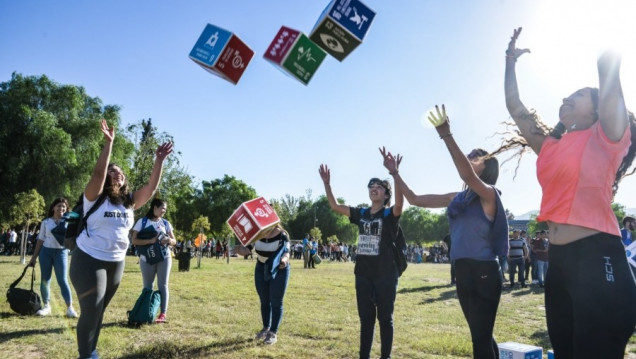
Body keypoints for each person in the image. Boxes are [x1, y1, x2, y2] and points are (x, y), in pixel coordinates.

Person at [504, 27, 636, 358]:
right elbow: (516, 107)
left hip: (598, 257)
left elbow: (610, 97)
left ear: (595, 111)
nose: (568, 97)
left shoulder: (608, 138)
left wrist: (606, 55)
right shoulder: (550, 145)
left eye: (578, 94)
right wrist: (509, 62)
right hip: (560, 263)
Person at [382, 105, 508, 359]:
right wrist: (395, 173)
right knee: (480, 334)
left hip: (484, 270)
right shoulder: (457, 198)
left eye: (474, 156)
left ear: (486, 167)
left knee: (480, 340)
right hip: (462, 269)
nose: (469, 156)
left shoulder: (489, 195)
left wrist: (446, 135)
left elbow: (466, 174)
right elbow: (415, 199)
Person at [69, 119, 172, 359]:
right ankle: (87, 355)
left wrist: (159, 161)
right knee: (92, 308)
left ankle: (91, 349)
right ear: (106, 178)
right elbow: (97, 173)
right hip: (88, 259)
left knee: (100, 310)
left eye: (121, 173)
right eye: (113, 172)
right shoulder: (94, 196)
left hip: (116, 262)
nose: (118, 174)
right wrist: (109, 143)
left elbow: (151, 186)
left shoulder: (130, 202)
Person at [319, 147, 404, 359]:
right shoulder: (362, 213)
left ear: (386, 194)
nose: (374, 188)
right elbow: (335, 205)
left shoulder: (389, 214)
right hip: (363, 273)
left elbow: (401, 203)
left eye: (379, 186)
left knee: (385, 319)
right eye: (371, 186)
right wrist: (327, 184)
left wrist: (395, 174)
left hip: (386, 273)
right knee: (366, 319)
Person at [27, 197, 78, 318]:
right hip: (46, 252)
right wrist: (34, 257)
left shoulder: (69, 221)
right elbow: (40, 239)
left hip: (61, 253)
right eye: (59, 206)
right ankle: (46, 306)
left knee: (63, 280)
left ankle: (70, 308)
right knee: (45, 280)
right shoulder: (46, 222)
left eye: (64, 207)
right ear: (53, 208)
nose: (61, 208)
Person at [131, 198, 176, 324]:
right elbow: (134, 241)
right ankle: (146, 312)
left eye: (165, 209)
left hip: (164, 257)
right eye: (162, 208)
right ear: (154, 207)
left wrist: (168, 241)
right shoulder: (142, 222)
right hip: (146, 258)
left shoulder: (166, 223)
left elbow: (174, 241)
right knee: (148, 286)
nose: (164, 211)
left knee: (163, 285)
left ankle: (163, 314)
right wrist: (150, 241)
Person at [253, 224, 291, 345]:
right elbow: (247, 249)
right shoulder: (256, 233)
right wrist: (239, 249)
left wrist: (284, 260)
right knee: (264, 300)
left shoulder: (282, 235)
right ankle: (265, 329)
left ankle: (273, 333)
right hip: (260, 268)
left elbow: (287, 252)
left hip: (278, 269)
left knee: (276, 301)